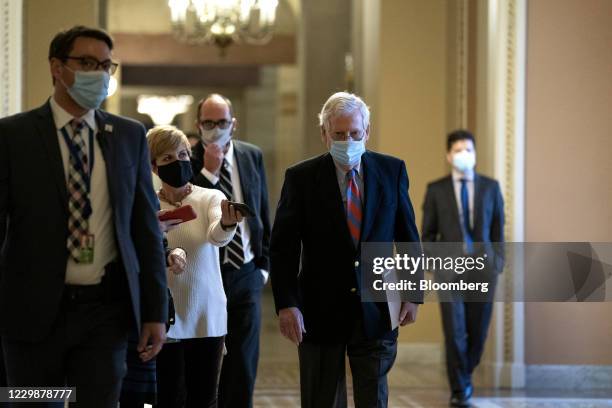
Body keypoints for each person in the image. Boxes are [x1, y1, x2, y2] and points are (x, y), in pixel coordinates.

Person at [0, 26, 168, 407]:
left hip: (103, 313)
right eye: (88, 63)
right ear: (57, 67)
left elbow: (145, 231)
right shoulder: (14, 136)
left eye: (106, 65)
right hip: (30, 313)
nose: (100, 73)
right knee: (34, 402)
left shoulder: (127, 137)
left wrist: (155, 312)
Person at [270, 91, 423, 408]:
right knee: (321, 399)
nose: (348, 140)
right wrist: (287, 304)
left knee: (374, 399)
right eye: (339, 134)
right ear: (324, 134)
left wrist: (413, 292)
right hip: (318, 309)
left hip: (378, 306)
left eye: (355, 133)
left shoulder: (391, 171)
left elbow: (408, 236)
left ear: (367, 132)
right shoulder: (301, 178)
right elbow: (283, 247)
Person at [147, 125, 243, 408]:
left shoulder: (210, 197)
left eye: (183, 154)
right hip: (166, 316)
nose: (178, 162)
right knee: (167, 398)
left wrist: (227, 223)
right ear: (154, 166)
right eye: (167, 159)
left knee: (204, 400)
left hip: (206, 314)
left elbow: (216, 235)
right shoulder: (148, 202)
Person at [191, 94, 271, 408]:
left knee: (243, 363)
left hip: (247, 272)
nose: (215, 129)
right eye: (208, 123)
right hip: (205, 273)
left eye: (221, 122)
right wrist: (209, 173)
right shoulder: (187, 158)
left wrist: (263, 266)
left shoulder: (252, 155)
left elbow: (262, 208)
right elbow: (188, 209)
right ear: (198, 126)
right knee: (205, 361)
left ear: (233, 125)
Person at [421, 129, 505, 407]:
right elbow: (428, 234)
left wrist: (498, 263)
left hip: (483, 270)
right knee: (454, 330)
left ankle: (464, 375)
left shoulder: (491, 188)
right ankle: (459, 389)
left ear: (475, 153)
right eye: (458, 150)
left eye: (468, 149)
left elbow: (497, 230)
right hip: (450, 271)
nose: (464, 155)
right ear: (449, 155)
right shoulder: (436, 190)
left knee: (477, 331)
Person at [119, 216, 187, 408]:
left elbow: (152, 249)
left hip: (141, 310)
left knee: (139, 396)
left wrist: (169, 252)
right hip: (108, 305)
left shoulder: (142, 192)